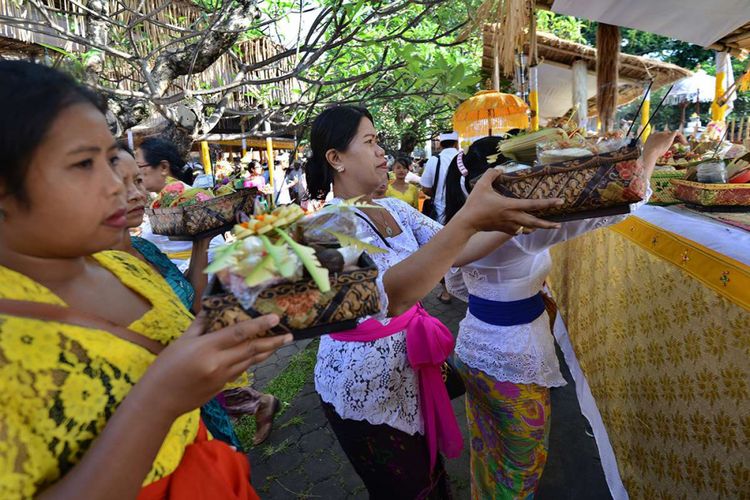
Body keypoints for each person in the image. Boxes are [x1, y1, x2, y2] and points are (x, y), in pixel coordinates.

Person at [0, 60, 291, 499]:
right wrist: (160, 399)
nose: (118, 185)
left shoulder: (127, 265)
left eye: (110, 158)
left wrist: (229, 331)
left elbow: (184, 339)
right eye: (83, 164)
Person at [305, 105, 563, 498]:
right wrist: (469, 220)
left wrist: (519, 220)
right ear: (336, 159)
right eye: (370, 142)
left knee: (431, 477)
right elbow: (389, 295)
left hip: (409, 370)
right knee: (405, 489)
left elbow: (456, 250)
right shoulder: (323, 226)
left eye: (380, 142)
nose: (382, 153)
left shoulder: (391, 208)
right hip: (364, 389)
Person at [442, 132, 678, 499]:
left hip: (473, 347)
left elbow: (457, 285)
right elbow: (618, 206)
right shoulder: (516, 229)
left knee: (488, 447)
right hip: (513, 357)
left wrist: (495, 292)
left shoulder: (455, 230)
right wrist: (650, 153)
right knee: (522, 463)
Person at [421, 132, 460, 304]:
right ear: (457, 143)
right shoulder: (464, 158)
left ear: (440, 144)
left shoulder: (434, 161)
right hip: (462, 212)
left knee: (443, 251)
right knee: (462, 247)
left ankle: (446, 291)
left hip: (440, 214)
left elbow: (426, 188)